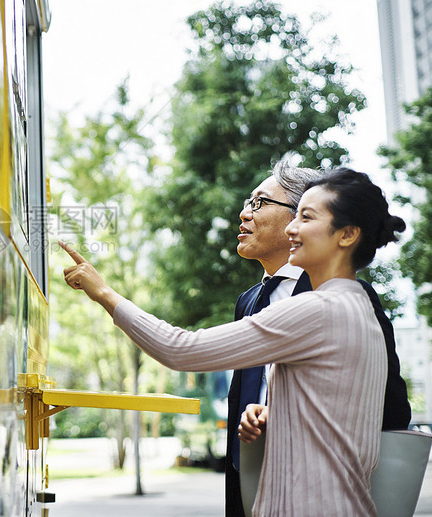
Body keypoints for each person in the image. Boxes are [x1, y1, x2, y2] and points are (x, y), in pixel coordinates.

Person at [60, 167, 406, 516]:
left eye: (306, 216)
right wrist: (280, 414)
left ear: (346, 235)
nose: (291, 228)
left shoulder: (319, 309)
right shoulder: (352, 305)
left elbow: (182, 348)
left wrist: (103, 292)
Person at [225, 161, 411, 517]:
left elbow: (391, 405)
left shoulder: (352, 298)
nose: (245, 213)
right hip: (249, 484)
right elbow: (245, 393)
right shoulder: (247, 301)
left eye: (260, 202)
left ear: (300, 216)